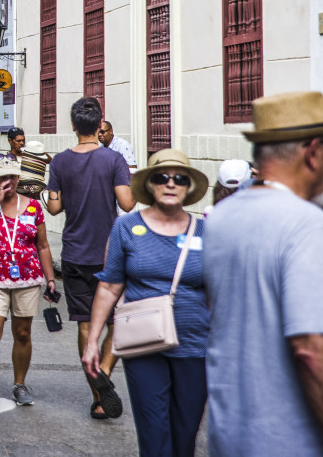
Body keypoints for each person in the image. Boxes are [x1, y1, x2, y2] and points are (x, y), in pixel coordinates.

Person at [204, 91, 323, 455]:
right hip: (289, 439)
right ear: (313, 152)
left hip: (229, 433)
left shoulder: (220, 219)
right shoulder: (306, 224)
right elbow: (310, 349)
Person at [82, 149, 210, 453]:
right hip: (143, 343)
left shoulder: (206, 230)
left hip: (194, 345)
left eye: (179, 178)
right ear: (150, 184)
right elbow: (110, 286)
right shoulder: (126, 227)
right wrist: (93, 342)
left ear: (188, 186)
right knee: (154, 433)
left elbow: (219, 292)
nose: (170, 183)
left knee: (185, 434)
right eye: (161, 177)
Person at [45, 96, 135, 419]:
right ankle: (106, 370)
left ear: (72, 126)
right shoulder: (114, 160)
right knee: (119, 320)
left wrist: (49, 194)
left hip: (73, 254)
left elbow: (54, 207)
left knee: (85, 324)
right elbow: (127, 205)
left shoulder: (58, 163)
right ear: (100, 125)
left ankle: (98, 397)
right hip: (110, 254)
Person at [0, 153, 56, 410]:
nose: (8, 180)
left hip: (27, 279)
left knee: (22, 333)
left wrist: (50, 279)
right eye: (2, 176)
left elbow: (42, 246)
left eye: (12, 176)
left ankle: (20, 385)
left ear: (19, 177)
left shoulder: (33, 207)